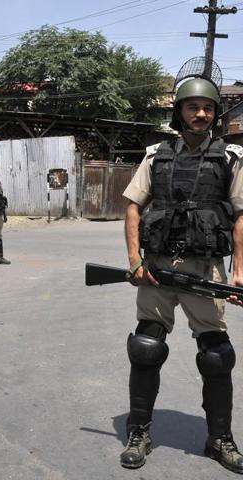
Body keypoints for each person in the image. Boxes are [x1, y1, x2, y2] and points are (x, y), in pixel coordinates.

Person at [120, 76, 243, 473]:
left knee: (217, 355)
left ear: (214, 114)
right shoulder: (156, 155)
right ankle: (139, 432)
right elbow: (134, 208)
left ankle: (219, 438)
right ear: (180, 112)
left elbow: (241, 215)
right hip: (156, 268)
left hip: (204, 268)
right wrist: (134, 260)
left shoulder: (230, 158)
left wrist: (240, 270)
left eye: (207, 108)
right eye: (193, 107)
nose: (201, 114)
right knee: (146, 348)